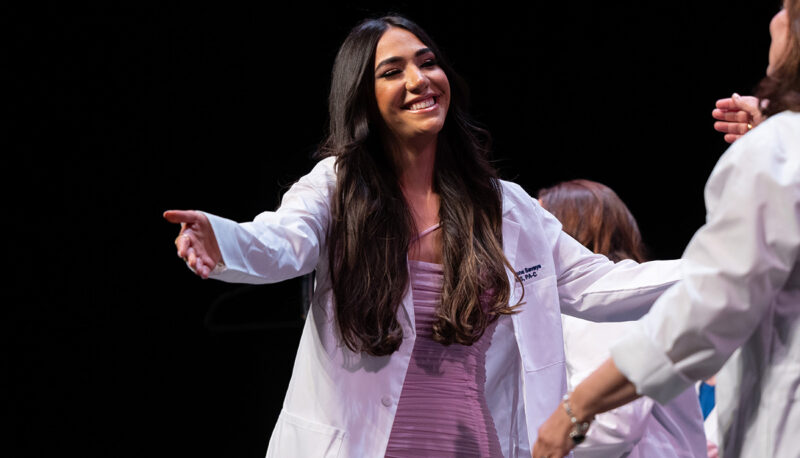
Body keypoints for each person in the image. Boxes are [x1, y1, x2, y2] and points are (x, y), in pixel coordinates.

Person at [164, 15, 682, 457]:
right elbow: (284, 241)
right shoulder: (339, 184)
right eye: (393, 71)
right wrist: (223, 239)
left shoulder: (505, 206)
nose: (419, 79)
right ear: (364, 98)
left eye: (427, 62)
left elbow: (598, 286)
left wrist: (737, 263)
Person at [533, 2, 800, 457]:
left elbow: (709, 308)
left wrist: (575, 409)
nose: (773, 20)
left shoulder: (776, 151)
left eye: (784, 9)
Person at [538, 180, 707, 458]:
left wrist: (531, 442)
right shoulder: (635, 302)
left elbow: (613, 424)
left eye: (543, 224)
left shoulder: (599, 311)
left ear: (567, 228)